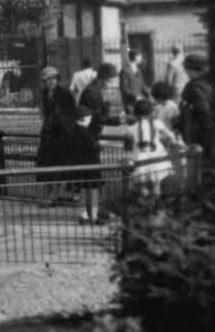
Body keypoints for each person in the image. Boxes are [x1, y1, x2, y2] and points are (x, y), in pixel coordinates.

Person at [73, 63, 117, 225]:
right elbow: (97, 117)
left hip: (88, 139)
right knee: (92, 180)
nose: (113, 82)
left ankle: (89, 212)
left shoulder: (94, 89)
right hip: (89, 140)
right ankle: (91, 213)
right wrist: (118, 120)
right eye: (112, 79)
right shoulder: (93, 92)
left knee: (88, 179)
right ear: (106, 77)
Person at [34, 67, 78, 207]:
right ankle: (50, 195)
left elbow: (72, 113)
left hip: (62, 134)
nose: (50, 82)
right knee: (47, 165)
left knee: (60, 164)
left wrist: (65, 124)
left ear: (57, 79)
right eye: (47, 80)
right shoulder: (44, 94)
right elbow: (44, 113)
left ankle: (57, 194)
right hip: (49, 134)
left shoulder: (65, 93)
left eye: (52, 78)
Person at [122, 98, 180, 198]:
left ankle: (145, 207)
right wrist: (172, 143)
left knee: (142, 187)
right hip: (157, 159)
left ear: (135, 113)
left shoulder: (130, 129)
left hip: (140, 161)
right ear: (151, 112)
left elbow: (127, 146)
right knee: (156, 186)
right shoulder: (157, 123)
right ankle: (155, 208)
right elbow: (170, 137)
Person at [178, 53, 215, 175]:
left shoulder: (196, 86)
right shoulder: (206, 83)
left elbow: (203, 110)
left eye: (186, 69)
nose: (185, 72)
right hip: (204, 132)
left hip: (199, 134)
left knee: (200, 167)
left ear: (193, 69)